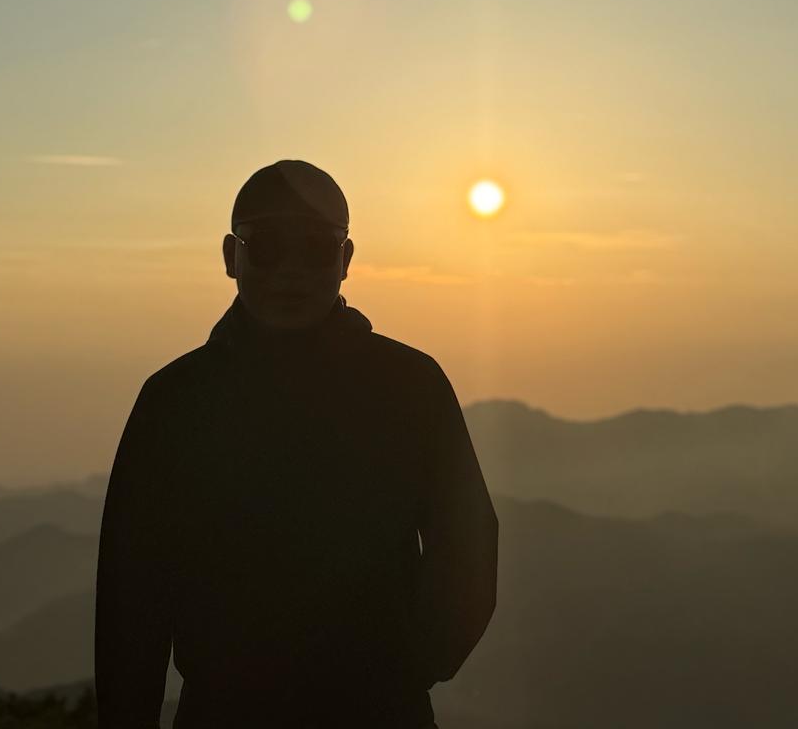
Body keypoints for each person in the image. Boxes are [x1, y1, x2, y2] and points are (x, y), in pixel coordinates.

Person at [95, 159, 499, 729]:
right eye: (268, 246)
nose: (291, 269)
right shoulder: (175, 402)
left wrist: (403, 668)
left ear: (346, 259)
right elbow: (130, 597)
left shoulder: (410, 387)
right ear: (231, 257)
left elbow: (469, 545)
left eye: (314, 247)